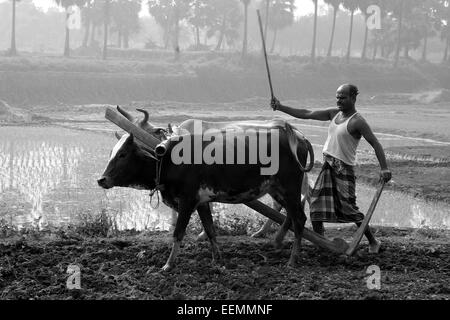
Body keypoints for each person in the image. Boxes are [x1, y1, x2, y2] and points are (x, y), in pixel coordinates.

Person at [270, 84, 391, 253]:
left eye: (343, 97)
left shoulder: (358, 121)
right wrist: (281, 107)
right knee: (316, 206)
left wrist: (384, 168)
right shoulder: (334, 114)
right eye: (337, 97)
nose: (339, 100)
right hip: (328, 166)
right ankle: (321, 242)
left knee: (349, 208)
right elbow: (307, 114)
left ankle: (373, 241)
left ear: (353, 98)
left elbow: (375, 143)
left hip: (344, 169)